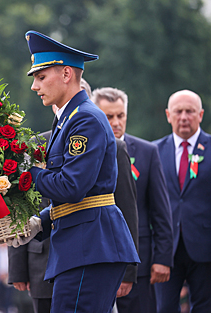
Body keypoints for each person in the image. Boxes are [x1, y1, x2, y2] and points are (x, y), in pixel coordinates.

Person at [8, 30, 140, 312]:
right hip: (83, 246)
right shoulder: (69, 119)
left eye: (41, 77)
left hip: (89, 247)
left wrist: (25, 174)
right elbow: (78, 192)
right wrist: (40, 223)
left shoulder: (85, 120)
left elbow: (71, 186)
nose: (35, 86)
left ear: (67, 74)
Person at [92, 87, 174, 313]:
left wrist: (163, 258)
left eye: (121, 115)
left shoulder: (148, 152)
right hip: (95, 259)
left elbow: (161, 211)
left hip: (139, 262)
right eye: (109, 116)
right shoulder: (84, 153)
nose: (116, 122)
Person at [153, 89, 211, 313]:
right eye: (179, 111)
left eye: (190, 111)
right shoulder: (154, 151)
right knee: (164, 308)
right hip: (166, 249)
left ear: (201, 115)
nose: (184, 117)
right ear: (168, 115)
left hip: (205, 247)